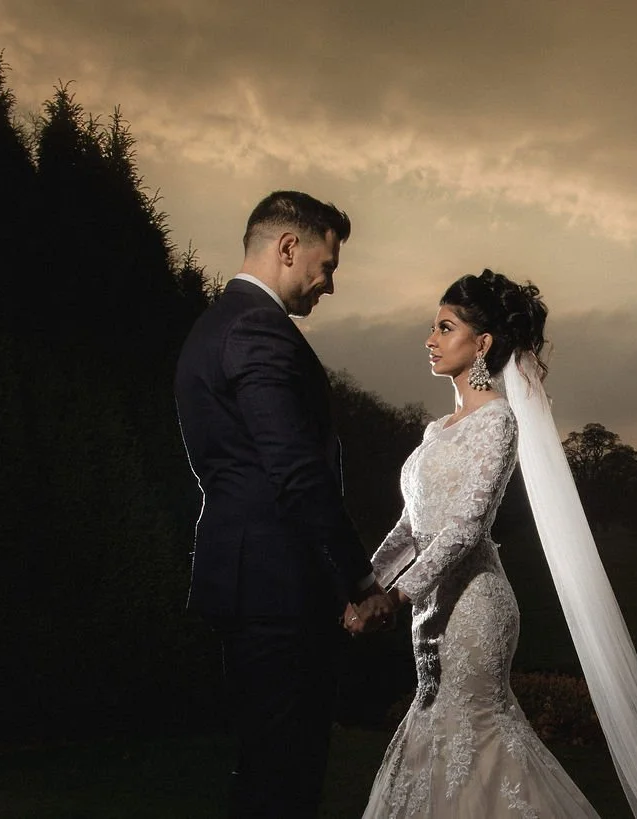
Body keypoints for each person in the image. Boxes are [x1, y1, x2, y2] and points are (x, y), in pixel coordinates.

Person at [355, 270, 637, 818]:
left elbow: (465, 528)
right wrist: (363, 584)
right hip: (429, 608)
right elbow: (410, 525)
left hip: (474, 608)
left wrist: (398, 595)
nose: (429, 338)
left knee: (475, 735)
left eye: (445, 327)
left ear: (481, 344)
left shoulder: (497, 422)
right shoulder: (437, 431)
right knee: (435, 733)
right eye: (431, 326)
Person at [174, 191, 394, 818]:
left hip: (246, 578)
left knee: (266, 769)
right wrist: (359, 579)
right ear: (288, 247)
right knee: (285, 778)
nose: (328, 284)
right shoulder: (256, 330)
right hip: (278, 587)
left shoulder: (215, 323)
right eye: (326, 266)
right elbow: (297, 471)